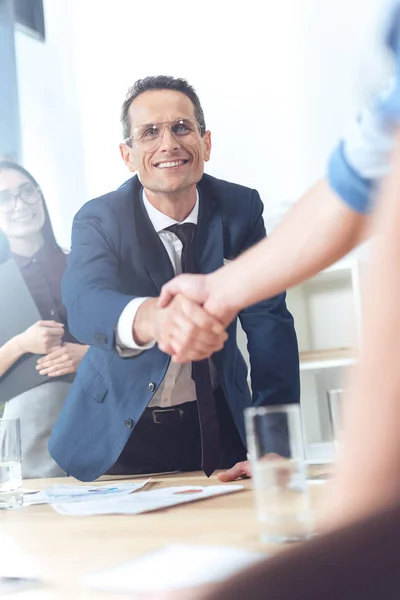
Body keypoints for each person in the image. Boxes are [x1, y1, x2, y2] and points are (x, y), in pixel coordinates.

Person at [48, 75, 300, 482]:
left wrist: (274, 446)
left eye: (182, 127)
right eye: (149, 133)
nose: (168, 144)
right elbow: (83, 303)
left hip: (217, 429)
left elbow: (269, 322)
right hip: (117, 436)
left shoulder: (241, 209)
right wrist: (153, 319)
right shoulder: (99, 218)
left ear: (207, 143)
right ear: (127, 156)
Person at [0, 160, 88, 478]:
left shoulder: (83, 264)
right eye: (5, 198)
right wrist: (20, 344)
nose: (20, 205)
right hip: (32, 434)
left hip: (99, 414)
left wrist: (89, 355)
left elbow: (126, 334)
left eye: (27, 192)